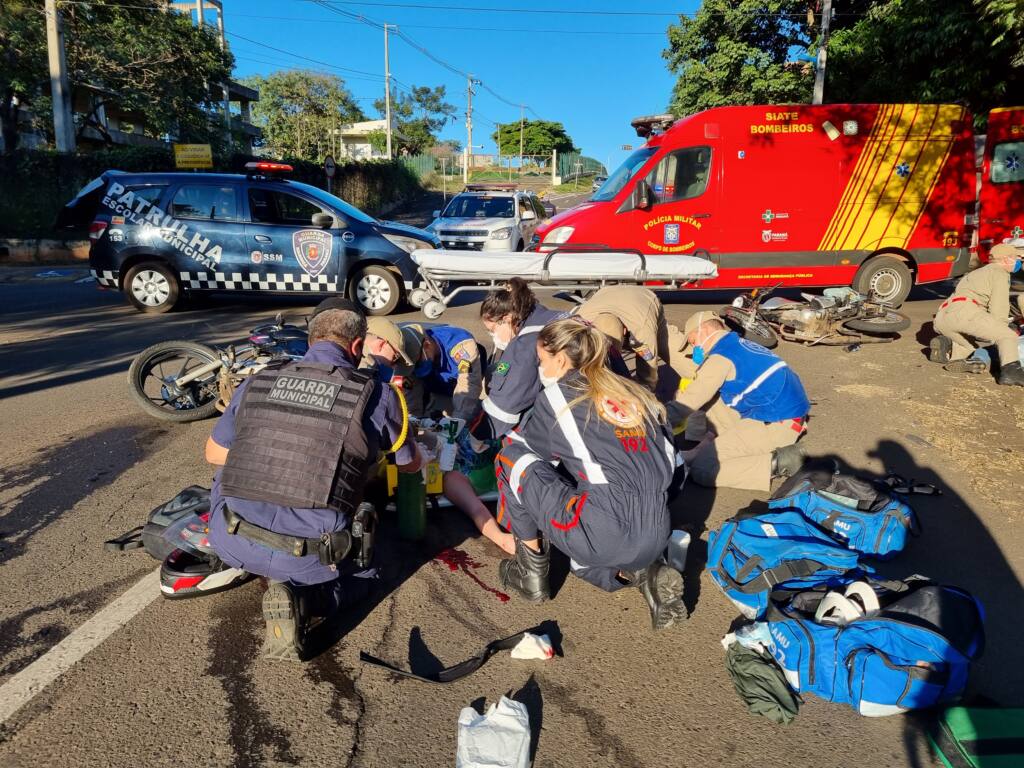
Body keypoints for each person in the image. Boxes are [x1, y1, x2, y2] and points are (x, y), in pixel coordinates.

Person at [204, 298, 422, 661]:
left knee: (227, 463)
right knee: (371, 572)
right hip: (307, 559)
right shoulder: (377, 396)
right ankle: (305, 599)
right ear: (356, 347)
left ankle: (256, 562)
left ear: (310, 341)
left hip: (231, 537)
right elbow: (410, 464)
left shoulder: (259, 380)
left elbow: (213, 453)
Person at [495, 318, 687, 630]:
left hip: (601, 529)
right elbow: (677, 472)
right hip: (656, 530)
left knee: (510, 457)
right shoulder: (641, 396)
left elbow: (535, 456)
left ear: (559, 359)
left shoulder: (558, 397)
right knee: (582, 563)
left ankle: (530, 573)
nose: (540, 368)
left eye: (541, 360)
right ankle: (642, 572)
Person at [363, 318, 515, 555]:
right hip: (434, 400)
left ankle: (500, 536)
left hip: (461, 393)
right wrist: (414, 424)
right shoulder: (404, 355)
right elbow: (410, 398)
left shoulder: (461, 347)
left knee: (472, 424)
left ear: (427, 346)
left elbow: (467, 392)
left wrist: (455, 426)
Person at [671, 311, 810, 493]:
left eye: (692, 342)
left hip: (775, 423)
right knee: (711, 398)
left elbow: (688, 401)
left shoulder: (720, 358)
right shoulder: (739, 344)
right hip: (785, 413)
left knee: (702, 469)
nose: (694, 349)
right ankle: (709, 445)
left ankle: (779, 461)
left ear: (703, 330)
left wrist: (656, 425)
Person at [478, 277, 564, 438]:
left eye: (492, 329)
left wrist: (478, 435)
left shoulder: (526, 344)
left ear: (507, 319)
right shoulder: (548, 316)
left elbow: (506, 404)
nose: (492, 336)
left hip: (579, 413)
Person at [930, 242, 1024, 385]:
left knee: (970, 348)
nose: (1018, 262)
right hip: (966, 311)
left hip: (943, 316)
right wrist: (1002, 328)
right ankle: (1011, 374)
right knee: (1007, 335)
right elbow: (999, 307)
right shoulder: (1000, 272)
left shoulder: (977, 272)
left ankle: (947, 348)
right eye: (1017, 258)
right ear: (1006, 259)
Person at [576, 285, 673, 393]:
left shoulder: (642, 330)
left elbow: (648, 376)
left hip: (644, 301)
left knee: (690, 366)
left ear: (624, 331)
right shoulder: (578, 324)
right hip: (607, 294)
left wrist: (638, 395)